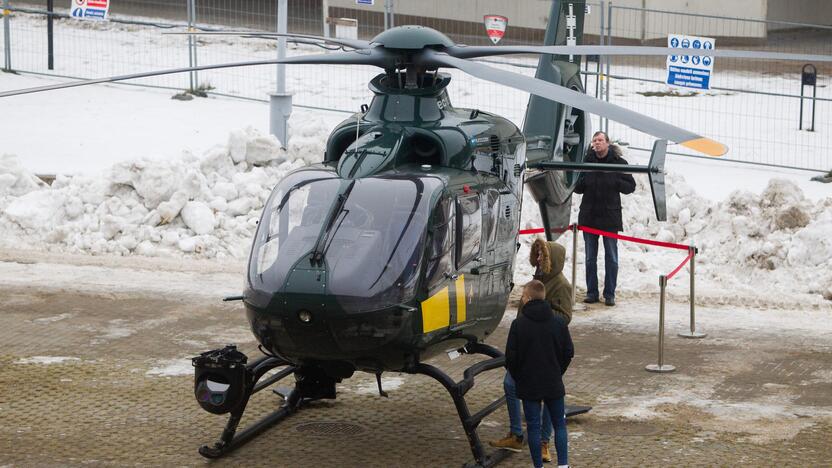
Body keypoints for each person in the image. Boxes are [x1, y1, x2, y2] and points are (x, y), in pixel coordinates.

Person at [489, 239, 573, 463]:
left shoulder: (561, 285)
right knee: (510, 384)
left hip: (544, 352)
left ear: (550, 259)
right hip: (528, 352)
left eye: (541, 256)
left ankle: (544, 442)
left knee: (546, 409)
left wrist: (540, 319)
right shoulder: (538, 279)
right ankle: (517, 433)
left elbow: (565, 318)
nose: (537, 260)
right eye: (536, 255)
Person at [505, 280, 574, 468]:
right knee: (559, 425)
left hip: (529, 385)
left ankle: (538, 466)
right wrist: (558, 371)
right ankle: (563, 465)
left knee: (533, 428)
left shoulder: (518, 325)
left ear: (527, 298)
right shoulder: (559, 323)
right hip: (553, 382)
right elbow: (569, 352)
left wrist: (520, 376)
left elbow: (510, 358)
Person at [574, 131, 636, 306]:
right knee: (589, 258)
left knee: (612, 258)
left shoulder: (619, 163)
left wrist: (615, 181)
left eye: (600, 140)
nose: (597, 143)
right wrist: (579, 183)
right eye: (595, 140)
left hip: (610, 218)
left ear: (608, 143)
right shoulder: (586, 162)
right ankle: (592, 293)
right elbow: (577, 187)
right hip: (589, 217)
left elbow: (630, 186)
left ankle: (610, 294)